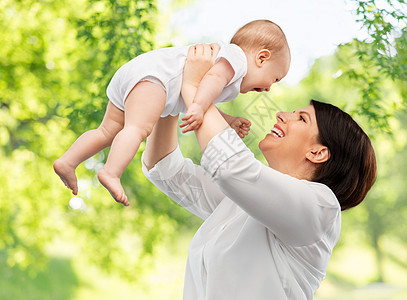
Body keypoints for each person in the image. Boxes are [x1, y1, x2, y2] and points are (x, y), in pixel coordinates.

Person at [141, 44, 377, 299]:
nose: (281, 114)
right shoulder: (243, 204)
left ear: (318, 153)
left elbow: (232, 167)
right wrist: (173, 90)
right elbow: (166, 169)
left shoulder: (320, 208)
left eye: (301, 119)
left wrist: (193, 87)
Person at [53, 20, 291, 206]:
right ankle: (111, 172)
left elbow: (200, 95)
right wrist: (196, 107)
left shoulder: (229, 80)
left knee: (106, 131)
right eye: (275, 78)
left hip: (137, 73)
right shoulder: (237, 59)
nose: (269, 88)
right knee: (137, 129)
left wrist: (228, 121)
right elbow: (210, 81)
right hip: (156, 79)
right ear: (262, 57)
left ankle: (68, 161)